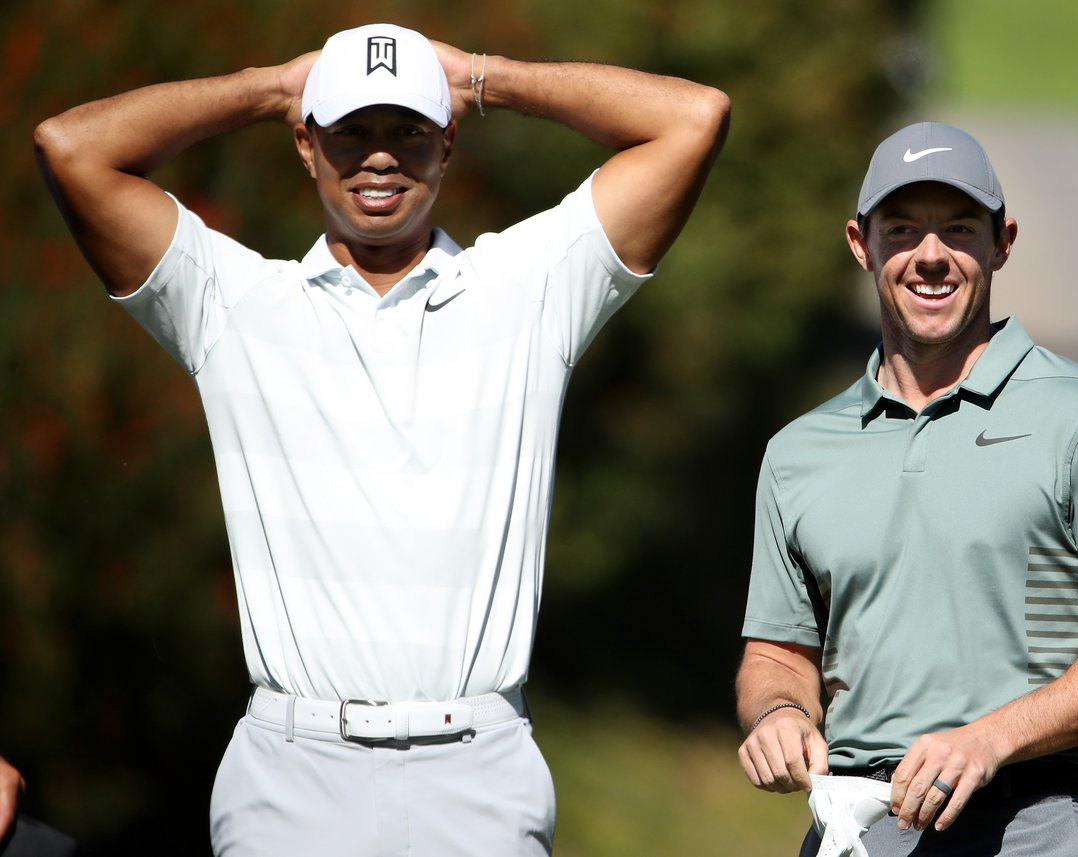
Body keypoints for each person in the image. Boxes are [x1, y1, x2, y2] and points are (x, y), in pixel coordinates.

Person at [35, 22, 728, 856]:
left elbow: (692, 118)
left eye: (408, 130)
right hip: (292, 774)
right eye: (350, 130)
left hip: (478, 770)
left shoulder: (526, 289)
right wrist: (271, 88)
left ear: (447, 144)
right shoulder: (236, 303)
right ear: (306, 144)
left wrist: (484, 76)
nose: (379, 157)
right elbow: (71, 147)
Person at [734, 121, 1078, 856]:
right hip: (854, 827)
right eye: (902, 229)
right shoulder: (797, 453)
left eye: (958, 228)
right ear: (860, 244)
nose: (930, 255)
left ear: (1002, 242)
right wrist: (778, 713)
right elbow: (778, 654)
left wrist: (991, 738)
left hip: (1026, 822)